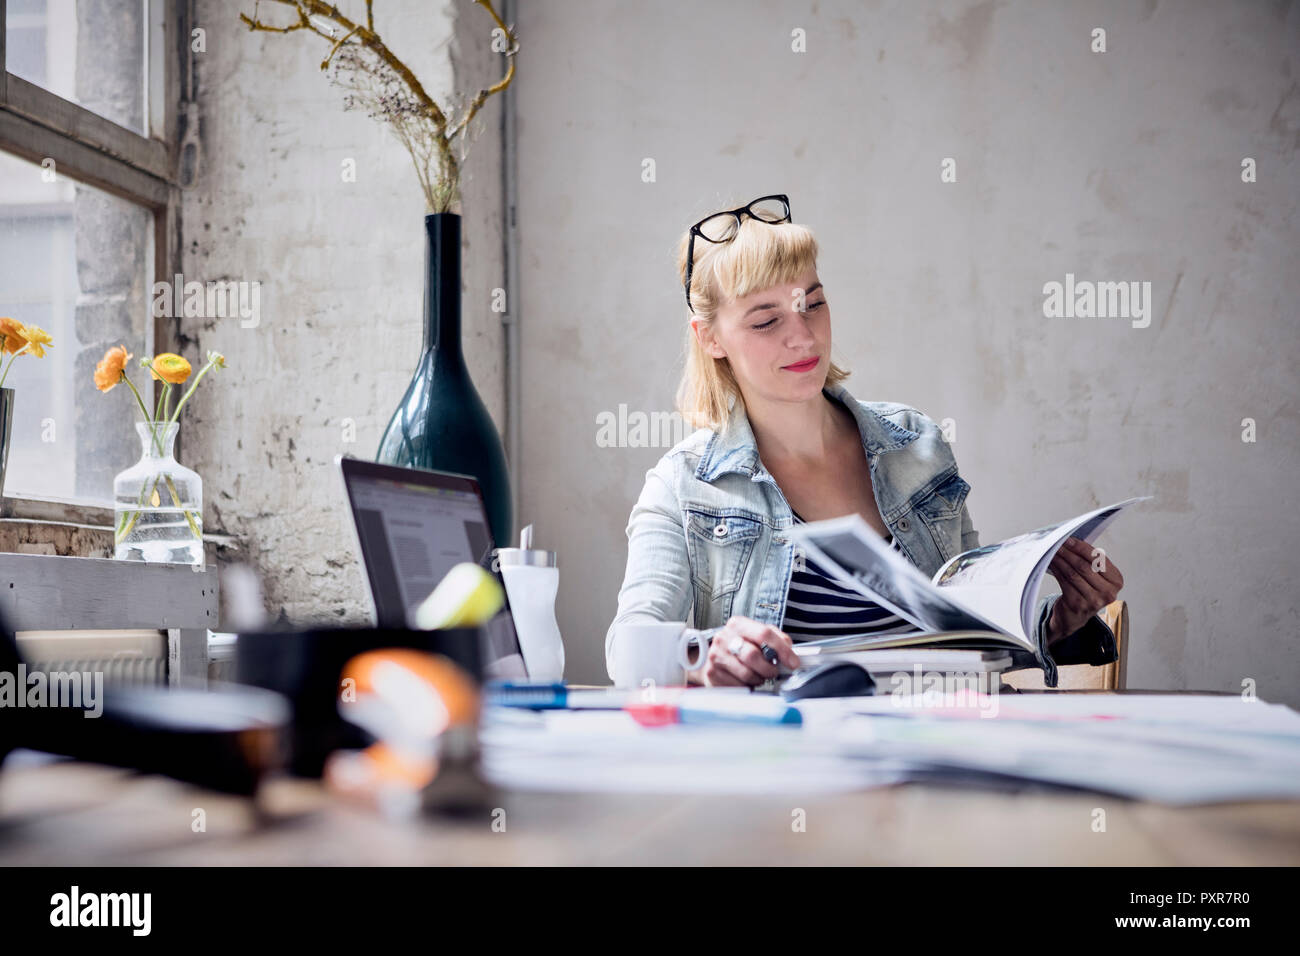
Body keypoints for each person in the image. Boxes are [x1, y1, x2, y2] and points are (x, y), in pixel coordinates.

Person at [605, 194, 1123, 688]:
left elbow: (975, 631)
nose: (803, 337)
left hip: (934, 749)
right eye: (766, 321)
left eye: (812, 303)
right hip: (786, 762)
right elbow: (627, 647)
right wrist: (700, 654)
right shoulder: (686, 485)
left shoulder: (916, 444)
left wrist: (1060, 624)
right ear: (710, 338)